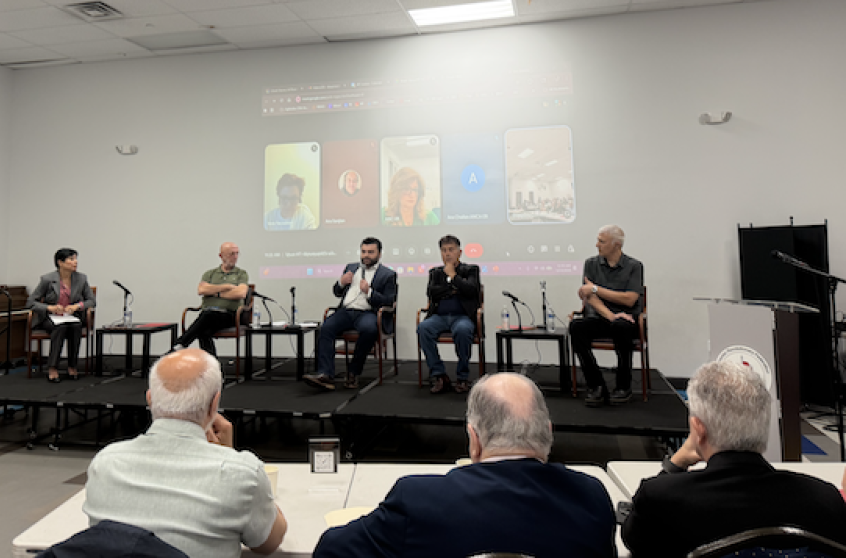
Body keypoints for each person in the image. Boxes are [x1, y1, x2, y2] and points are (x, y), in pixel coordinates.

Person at [313, 372, 617, 558]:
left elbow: (331, 550)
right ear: (548, 432)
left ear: (474, 440)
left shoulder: (417, 501)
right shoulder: (592, 499)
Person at [621, 361, 846, 558]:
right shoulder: (827, 501)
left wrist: (674, 465)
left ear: (698, 429)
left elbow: (635, 541)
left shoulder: (660, 499)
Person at [83, 348, 287, 558]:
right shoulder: (242, 474)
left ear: (150, 400)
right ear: (214, 404)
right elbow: (268, 543)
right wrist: (228, 455)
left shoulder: (105, 463)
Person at [304, 237, 397, 391]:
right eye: (363, 251)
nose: (366, 255)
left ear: (379, 254)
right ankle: (325, 374)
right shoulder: (351, 267)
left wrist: (370, 292)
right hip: (346, 311)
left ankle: (353, 372)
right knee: (326, 327)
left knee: (369, 329)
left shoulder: (387, 274)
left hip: (368, 312)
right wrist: (341, 282)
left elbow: (389, 301)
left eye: (371, 252)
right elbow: (337, 292)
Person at [569, 224, 643, 406]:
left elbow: (630, 299)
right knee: (576, 327)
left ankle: (623, 386)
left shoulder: (634, 266)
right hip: (602, 318)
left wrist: (595, 288)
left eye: (602, 241)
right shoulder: (591, 264)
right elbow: (590, 298)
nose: (597, 245)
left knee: (621, 326)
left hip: (628, 321)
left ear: (616, 245)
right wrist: (611, 316)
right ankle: (596, 385)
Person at [418, 235, 481, 394]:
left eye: (451, 250)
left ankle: (462, 377)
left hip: (463, 317)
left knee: (463, 330)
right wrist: (454, 289)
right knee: (423, 328)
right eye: (444, 250)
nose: (447, 253)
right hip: (439, 317)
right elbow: (432, 292)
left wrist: (453, 276)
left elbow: (472, 290)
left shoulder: (471, 270)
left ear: (459, 252)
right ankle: (439, 375)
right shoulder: (435, 272)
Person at [27, 248, 96, 382]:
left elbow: (92, 301)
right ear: (60, 262)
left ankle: (72, 366)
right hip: (50, 318)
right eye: (71, 259)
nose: (75, 262)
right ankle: (53, 367)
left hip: (71, 317)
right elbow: (31, 302)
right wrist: (50, 308)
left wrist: (77, 306)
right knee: (60, 327)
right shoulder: (47, 279)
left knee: (76, 326)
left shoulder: (81, 278)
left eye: (75, 259)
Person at [172, 242, 249, 357]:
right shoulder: (210, 274)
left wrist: (214, 292)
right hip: (209, 315)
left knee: (207, 316)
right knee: (204, 330)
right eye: (231, 254)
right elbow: (201, 290)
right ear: (221, 256)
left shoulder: (241, 274)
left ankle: (180, 344)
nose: (235, 257)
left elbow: (241, 293)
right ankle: (212, 363)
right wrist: (227, 286)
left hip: (230, 315)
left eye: (237, 253)